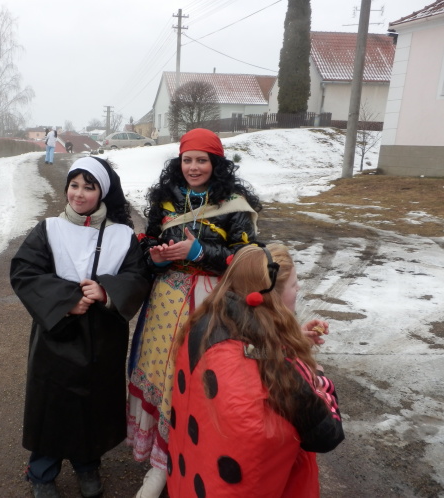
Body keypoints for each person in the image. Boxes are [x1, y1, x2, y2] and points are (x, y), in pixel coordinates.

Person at [126, 128, 262, 498]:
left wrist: (199, 252)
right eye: (188, 160)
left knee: (200, 382)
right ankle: (160, 465)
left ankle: (197, 459)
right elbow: (150, 242)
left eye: (202, 160)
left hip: (212, 304)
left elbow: (245, 259)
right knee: (162, 377)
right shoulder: (167, 199)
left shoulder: (234, 205)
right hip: (166, 302)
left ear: (216, 163)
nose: (194, 167)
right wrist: (155, 257)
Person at [10, 156, 150, 498]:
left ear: (102, 193)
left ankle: (87, 464)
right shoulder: (48, 229)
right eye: (74, 185)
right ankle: (42, 471)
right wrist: (67, 299)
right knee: (53, 401)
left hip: (103, 334)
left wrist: (106, 292)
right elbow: (25, 272)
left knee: (94, 401)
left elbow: (137, 277)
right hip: (57, 332)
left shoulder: (122, 235)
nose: (79, 193)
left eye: (89, 187)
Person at [167, 243, 344, 497]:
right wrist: (316, 376)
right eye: (294, 284)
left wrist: (290, 340)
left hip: (194, 478)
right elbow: (328, 435)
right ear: (273, 297)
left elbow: (247, 346)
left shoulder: (206, 324)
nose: (298, 289)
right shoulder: (280, 372)